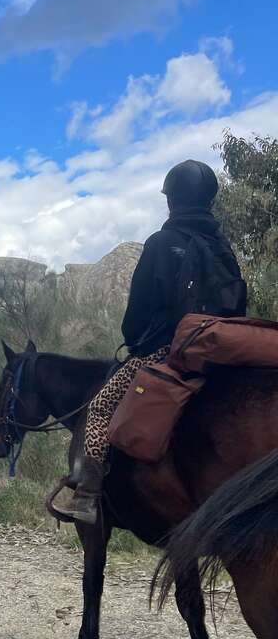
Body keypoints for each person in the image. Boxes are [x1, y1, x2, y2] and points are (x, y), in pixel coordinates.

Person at [52, 159, 246, 524]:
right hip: (222, 352)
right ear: (208, 201)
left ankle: (88, 497)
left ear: (172, 200)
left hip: (169, 352)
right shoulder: (223, 248)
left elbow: (138, 314)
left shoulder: (162, 243)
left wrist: (136, 340)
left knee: (97, 411)